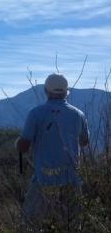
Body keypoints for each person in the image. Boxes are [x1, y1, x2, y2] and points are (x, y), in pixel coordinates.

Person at [16, 73, 90, 222]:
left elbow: (23, 146)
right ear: (66, 92)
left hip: (43, 179)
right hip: (71, 179)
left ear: (46, 90)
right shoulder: (78, 114)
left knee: (30, 224)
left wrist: (17, 143)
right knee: (73, 226)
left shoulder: (35, 114)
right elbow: (84, 142)